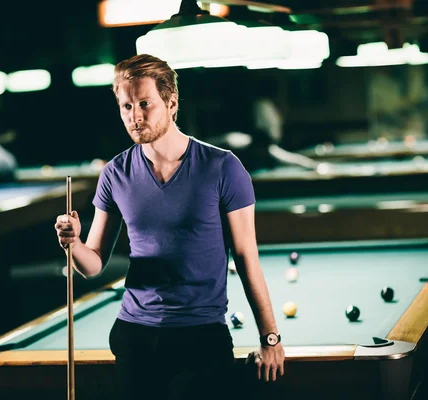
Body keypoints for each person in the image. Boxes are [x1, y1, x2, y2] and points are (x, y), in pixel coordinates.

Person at [54, 54, 285, 400]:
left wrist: (270, 338)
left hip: (201, 337)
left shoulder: (222, 167)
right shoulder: (114, 174)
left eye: (144, 103)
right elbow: (94, 263)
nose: (135, 116)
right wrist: (72, 243)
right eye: (126, 106)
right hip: (134, 336)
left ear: (171, 102)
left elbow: (245, 256)